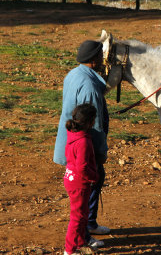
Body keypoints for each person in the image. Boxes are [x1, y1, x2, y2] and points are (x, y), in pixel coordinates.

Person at [54, 40, 110, 249]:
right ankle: (85, 232)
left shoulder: (73, 74)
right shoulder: (89, 86)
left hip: (71, 143)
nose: (103, 61)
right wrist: (100, 153)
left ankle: (90, 224)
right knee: (92, 184)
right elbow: (93, 125)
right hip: (85, 149)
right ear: (94, 60)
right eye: (101, 58)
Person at [64, 104, 98, 255]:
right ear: (90, 122)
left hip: (71, 178)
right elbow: (82, 167)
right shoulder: (83, 141)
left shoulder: (73, 135)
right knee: (77, 217)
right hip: (80, 182)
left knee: (82, 214)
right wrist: (94, 176)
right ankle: (69, 250)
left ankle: (79, 243)